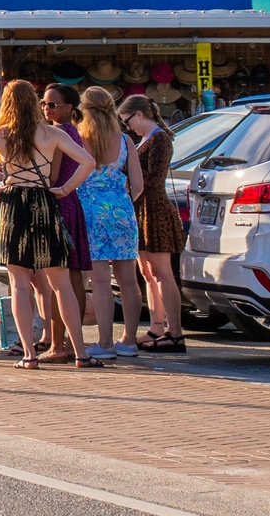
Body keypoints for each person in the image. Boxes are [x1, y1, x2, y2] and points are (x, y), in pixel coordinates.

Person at [0, 80, 98, 369]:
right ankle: (81, 353)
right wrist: (65, 188)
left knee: (19, 284)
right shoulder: (50, 133)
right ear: (34, 103)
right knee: (61, 285)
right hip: (44, 201)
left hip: (13, 204)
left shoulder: (0, 134)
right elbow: (88, 162)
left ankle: (29, 355)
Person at [76, 86, 144, 357]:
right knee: (129, 280)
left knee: (100, 281)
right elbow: (138, 185)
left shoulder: (81, 138)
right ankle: (129, 340)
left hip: (91, 211)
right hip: (122, 211)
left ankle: (105, 342)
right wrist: (120, 200)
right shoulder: (125, 141)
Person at [120, 94, 188, 353]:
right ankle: (156, 328)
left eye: (127, 121)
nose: (127, 127)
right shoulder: (145, 140)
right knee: (148, 274)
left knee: (162, 273)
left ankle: (175, 333)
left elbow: (154, 177)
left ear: (139, 114)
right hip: (142, 209)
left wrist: (126, 171)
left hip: (155, 210)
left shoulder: (159, 139)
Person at [42, 83, 97, 350]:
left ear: (68, 107)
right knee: (73, 276)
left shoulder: (58, 133)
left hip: (57, 203)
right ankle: (76, 343)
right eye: (44, 103)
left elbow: (51, 175)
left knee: (57, 280)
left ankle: (56, 343)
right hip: (71, 202)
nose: (46, 108)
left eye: (52, 104)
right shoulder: (73, 132)